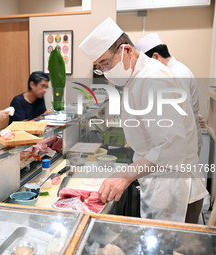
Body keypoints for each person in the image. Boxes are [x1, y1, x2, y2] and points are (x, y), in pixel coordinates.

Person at [79, 17, 208, 223]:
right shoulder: (135, 77)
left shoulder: (154, 78)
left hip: (175, 190)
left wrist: (126, 176)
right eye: (99, 67)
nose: (104, 71)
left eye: (105, 63)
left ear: (127, 50)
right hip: (160, 183)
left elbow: (172, 144)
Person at [134, 33, 202, 153]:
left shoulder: (177, 74)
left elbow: (180, 114)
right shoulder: (173, 70)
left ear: (155, 57)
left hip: (183, 145)